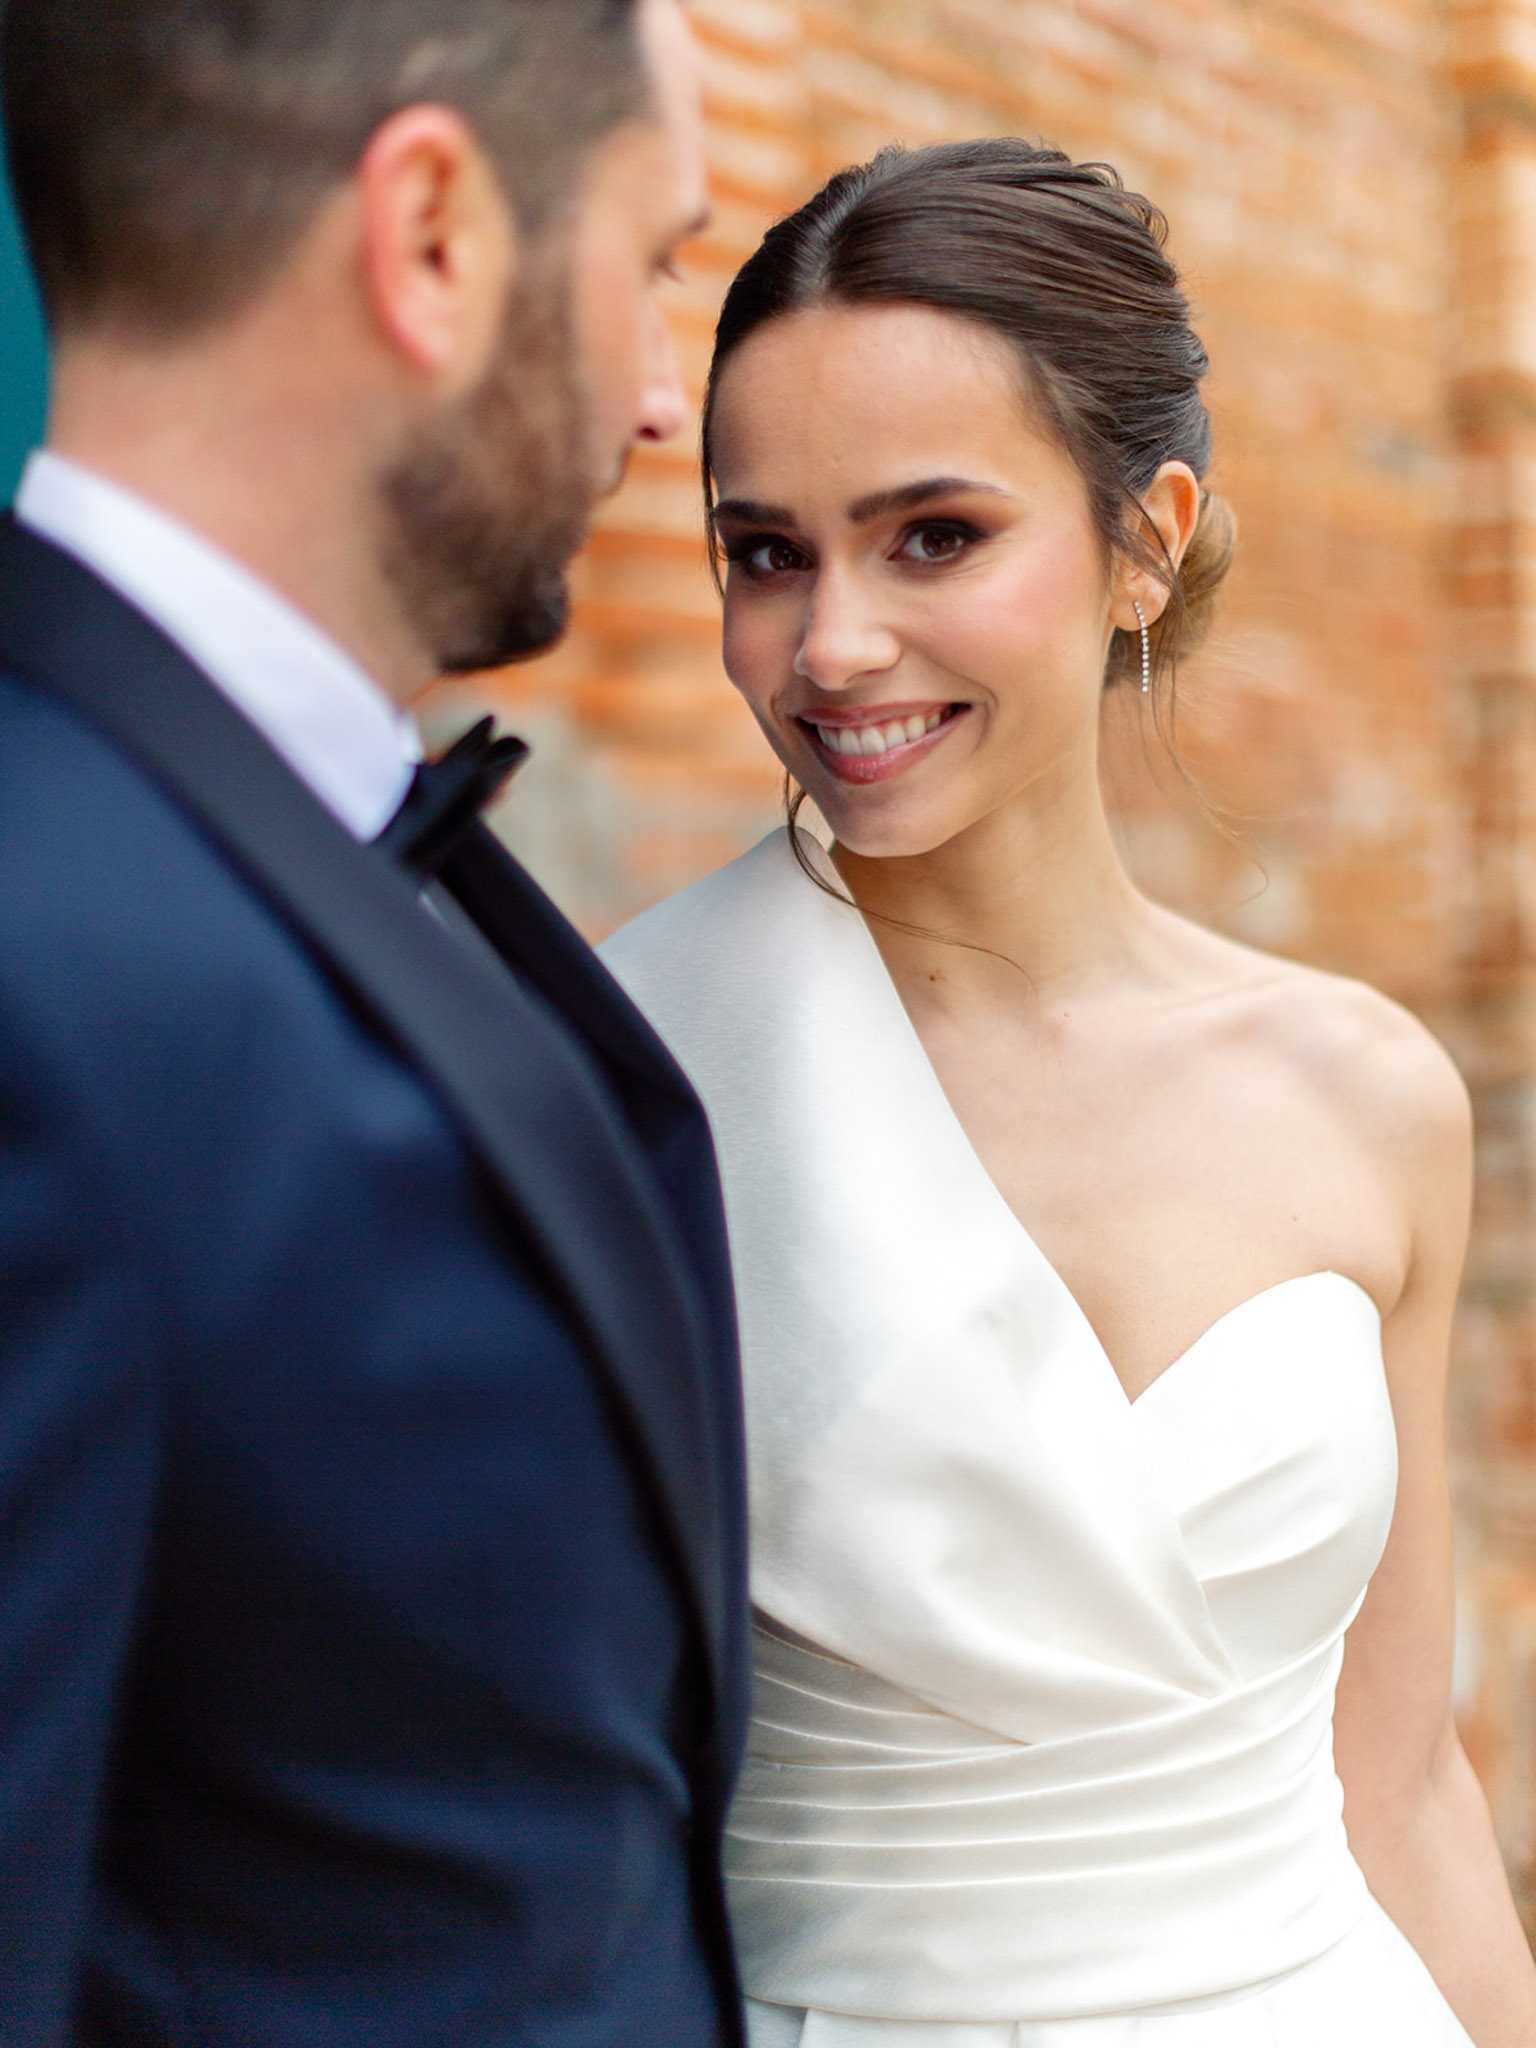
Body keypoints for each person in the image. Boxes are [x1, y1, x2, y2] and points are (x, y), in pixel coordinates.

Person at [601, 139, 1536, 2045]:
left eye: (932, 535)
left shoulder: (1365, 1094)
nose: (832, 642)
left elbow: (1408, 1791)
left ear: (1146, 539)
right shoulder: (626, 1076)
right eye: (767, 551)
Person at [0, 3, 750, 2043]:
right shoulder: (42, 955)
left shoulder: (314, 827)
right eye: (656, 256)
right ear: (433, 235)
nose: (665, 401)